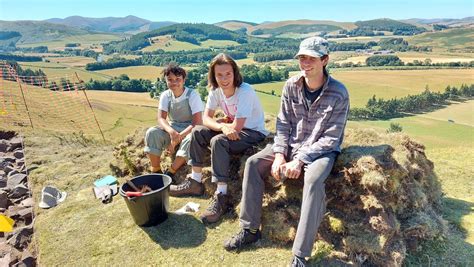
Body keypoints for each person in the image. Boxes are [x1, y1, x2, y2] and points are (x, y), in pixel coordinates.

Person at [223, 37, 350, 267]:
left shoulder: (339, 93)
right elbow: (282, 124)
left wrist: (300, 160)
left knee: (312, 180)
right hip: (290, 144)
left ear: (325, 60)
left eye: (311, 58)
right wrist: (280, 154)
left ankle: (300, 255)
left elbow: (331, 138)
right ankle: (250, 229)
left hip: (321, 152)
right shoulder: (291, 85)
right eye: (302, 57)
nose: (305, 63)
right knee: (253, 163)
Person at [169, 53, 269, 224]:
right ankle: (195, 181)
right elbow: (205, 119)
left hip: (253, 132)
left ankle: (221, 195)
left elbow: (236, 128)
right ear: (213, 76)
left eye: (228, 74)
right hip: (230, 128)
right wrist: (221, 125)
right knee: (198, 131)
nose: (224, 79)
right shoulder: (215, 91)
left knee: (218, 141)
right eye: (219, 75)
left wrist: (222, 126)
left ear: (235, 73)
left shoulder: (245, 91)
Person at [144, 64, 204, 182]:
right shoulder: (165, 95)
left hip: (190, 128)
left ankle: (171, 171)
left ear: (184, 80)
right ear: (165, 81)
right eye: (170, 80)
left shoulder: (192, 95)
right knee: (152, 132)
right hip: (174, 127)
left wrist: (177, 139)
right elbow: (161, 119)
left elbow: (197, 122)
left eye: (178, 79)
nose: (174, 83)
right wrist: (172, 132)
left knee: (192, 139)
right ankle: (156, 170)